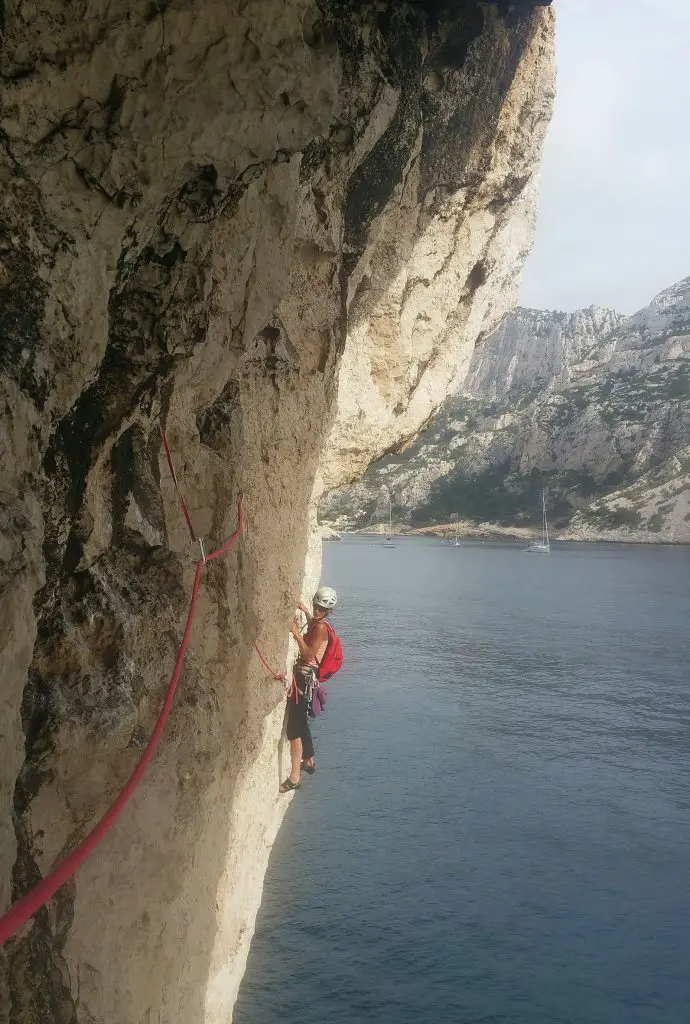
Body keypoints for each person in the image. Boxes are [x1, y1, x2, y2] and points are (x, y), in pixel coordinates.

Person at [280, 586, 338, 792]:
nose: (317, 610)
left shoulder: (321, 628)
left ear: (328, 610)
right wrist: (305, 609)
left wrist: (295, 632)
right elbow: (314, 622)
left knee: (293, 729)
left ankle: (295, 776)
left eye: (321, 608)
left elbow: (308, 655)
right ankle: (309, 759)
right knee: (301, 721)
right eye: (315, 605)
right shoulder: (322, 623)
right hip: (305, 678)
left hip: (304, 679)